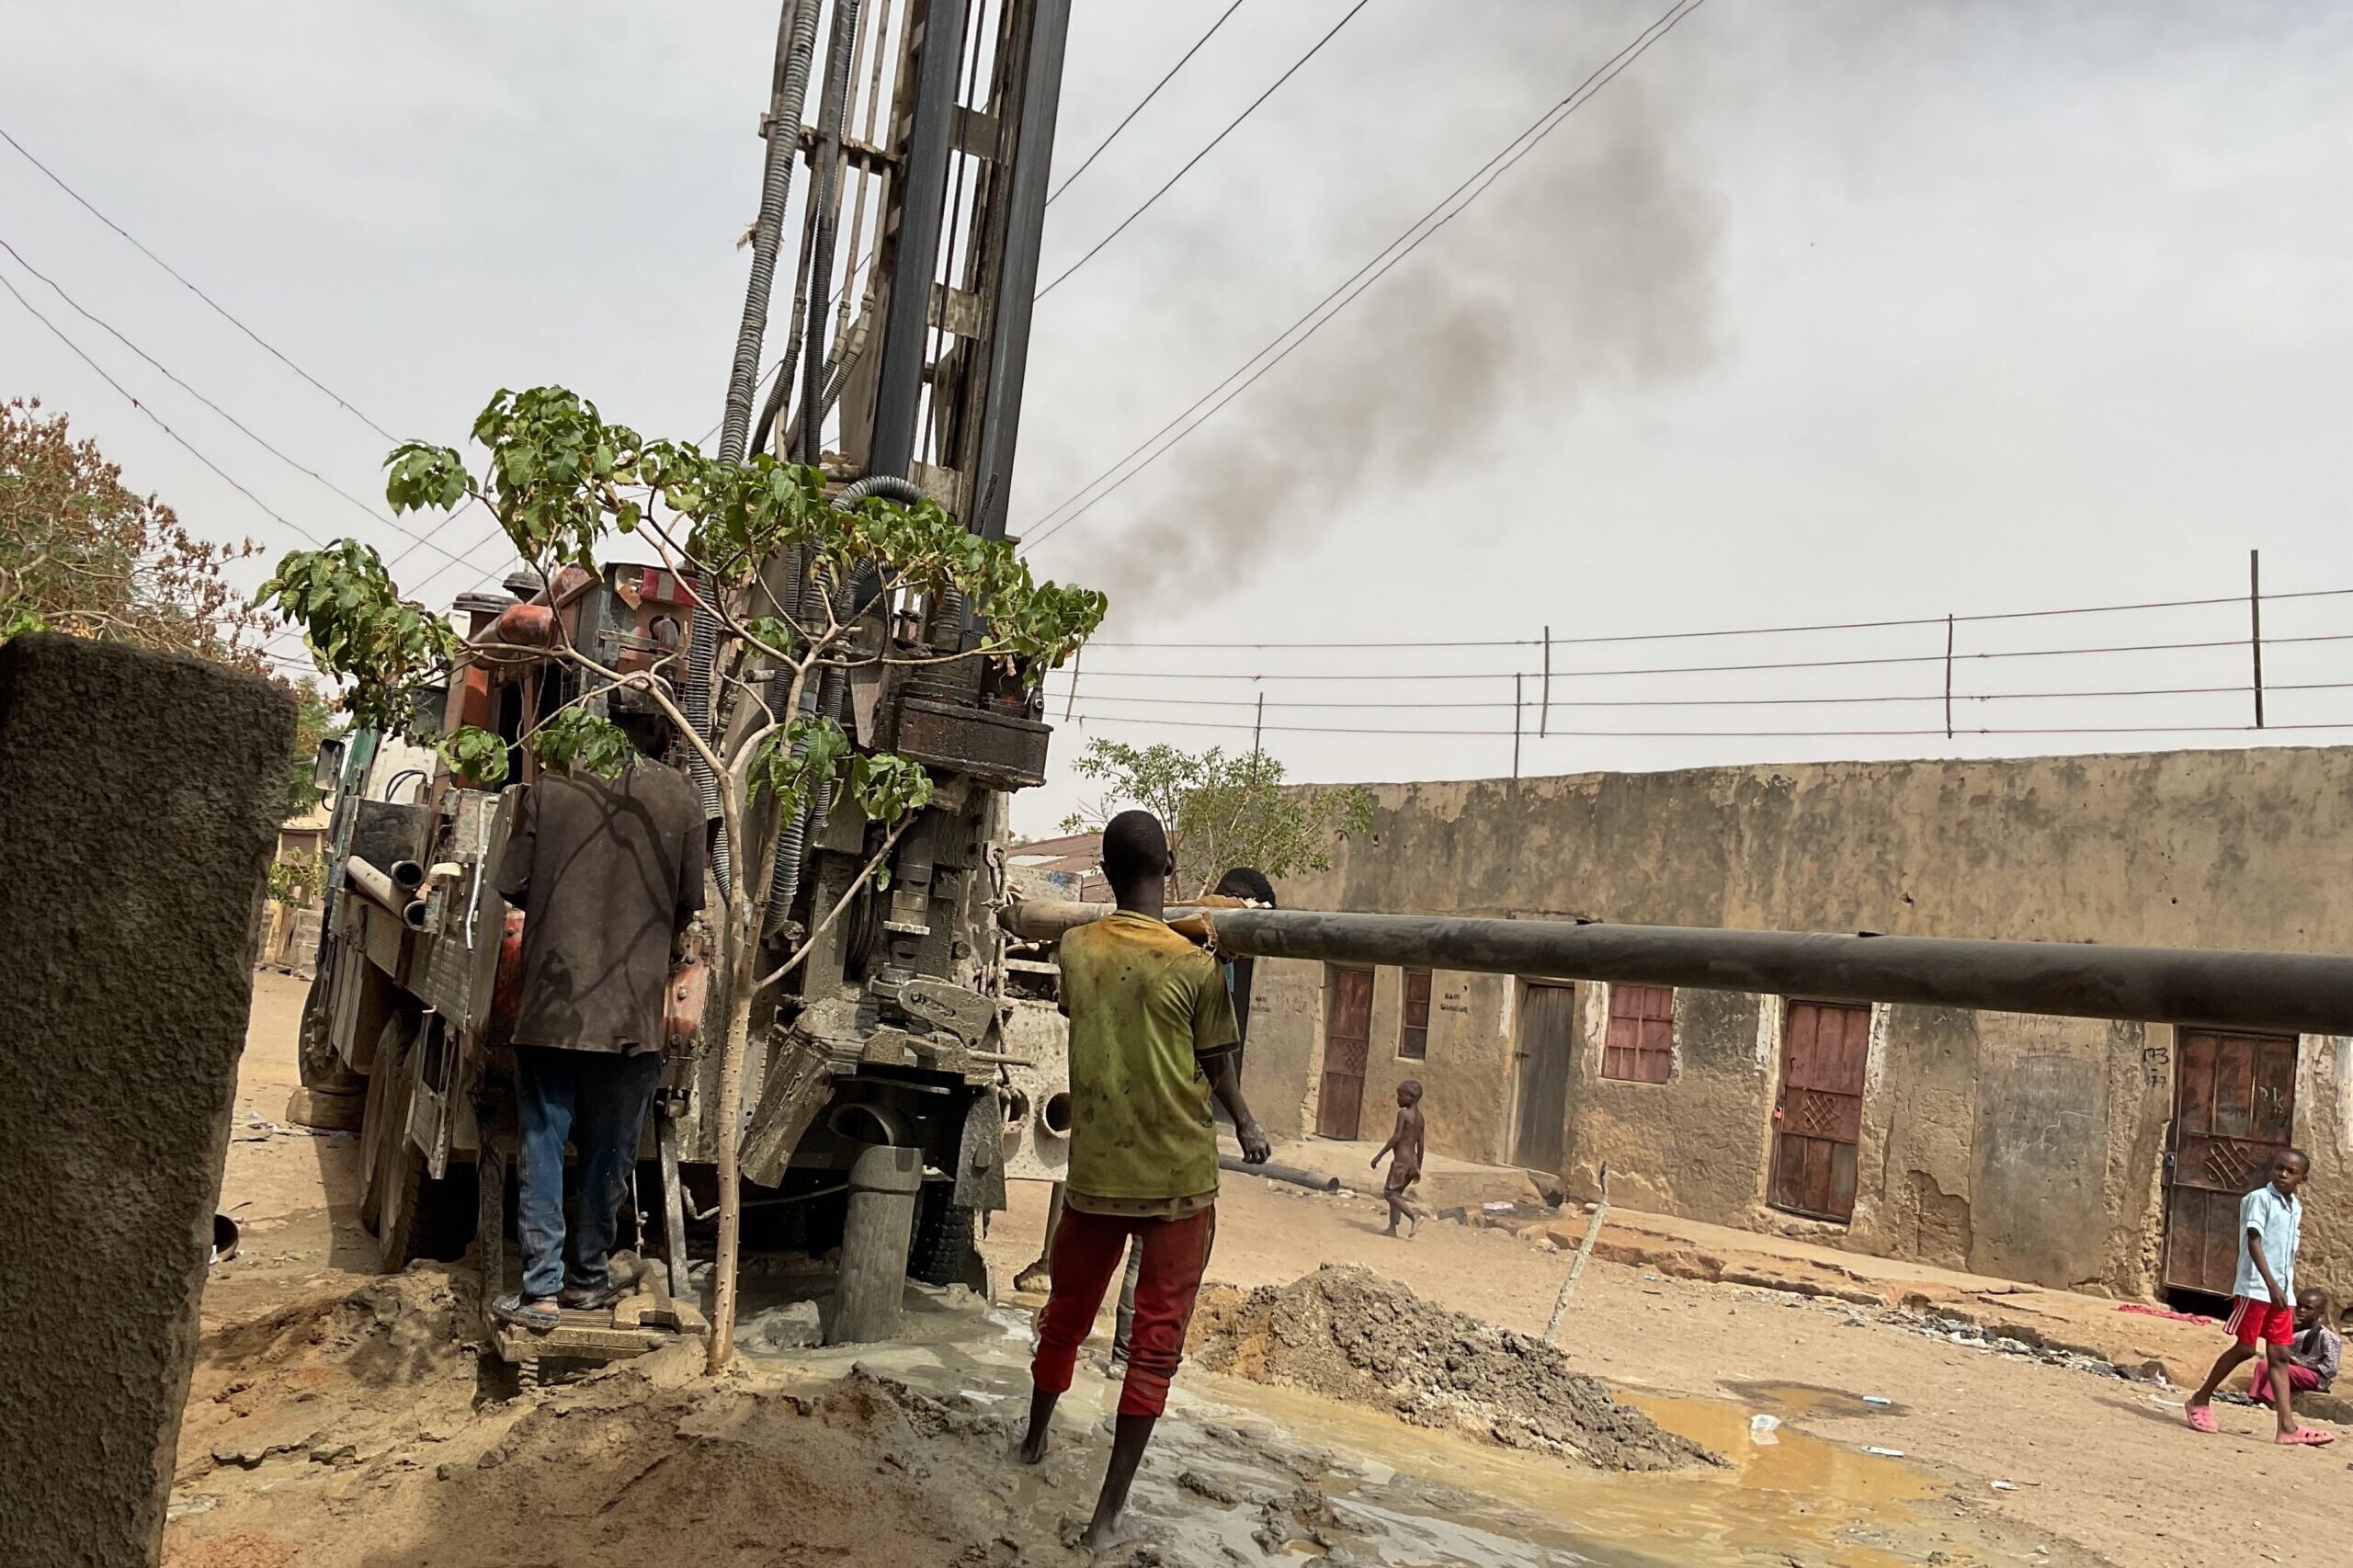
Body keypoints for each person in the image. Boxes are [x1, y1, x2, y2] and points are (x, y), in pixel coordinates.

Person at [1016, 812, 1271, 1549]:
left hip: (1096, 1175)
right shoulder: (1195, 964)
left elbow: (1099, 999)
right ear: (1172, 863)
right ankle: (1105, 1519)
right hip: (1178, 1181)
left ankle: (1032, 1444)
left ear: (1103, 868)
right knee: (1154, 1347)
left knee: (1065, 1315)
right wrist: (1249, 1125)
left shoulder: (1075, 949)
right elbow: (1217, 1066)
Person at [488, 705, 704, 1332]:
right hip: (632, 1015)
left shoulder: (551, 788)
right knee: (611, 1154)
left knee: (543, 1144)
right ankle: (587, 1279)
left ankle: (542, 1294)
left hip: (552, 1007)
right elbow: (690, 897)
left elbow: (512, 882)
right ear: (663, 737)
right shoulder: (683, 798)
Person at [2184, 1149, 2332, 1446]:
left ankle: (2286, 1427)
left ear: (2303, 1178)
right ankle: (2199, 1400)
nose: (2283, 1175)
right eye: (2279, 1168)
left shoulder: (2295, 1208)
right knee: (2246, 1349)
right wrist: (2271, 1285)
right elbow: (2254, 1241)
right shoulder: (2259, 1200)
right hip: (2256, 1289)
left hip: (2281, 1293)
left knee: (2279, 1356)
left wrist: (2284, 1290)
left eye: (2291, 1172)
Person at [2250, 1288, 2341, 1405]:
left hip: (2316, 1378)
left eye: (2308, 1308)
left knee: (2283, 1370)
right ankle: (2256, 1398)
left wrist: (2300, 1364)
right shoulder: (2292, 1329)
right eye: (2299, 1306)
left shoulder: (2327, 1336)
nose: (2301, 1310)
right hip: (2294, 1370)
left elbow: (2330, 1369)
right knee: (2262, 1365)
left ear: (2321, 1313)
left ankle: (2271, 1400)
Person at [1370, 1079, 1426, 1238]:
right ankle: (1392, 1228)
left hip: (1401, 1162)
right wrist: (1418, 1166)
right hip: (1412, 1162)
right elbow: (1421, 1144)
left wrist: (1379, 1155)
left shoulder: (1403, 1114)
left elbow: (1396, 1137)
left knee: (1390, 1193)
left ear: (1411, 1096)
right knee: (1397, 1193)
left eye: (1401, 1095)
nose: (1398, 1099)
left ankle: (1414, 1216)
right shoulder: (1421, 1118)